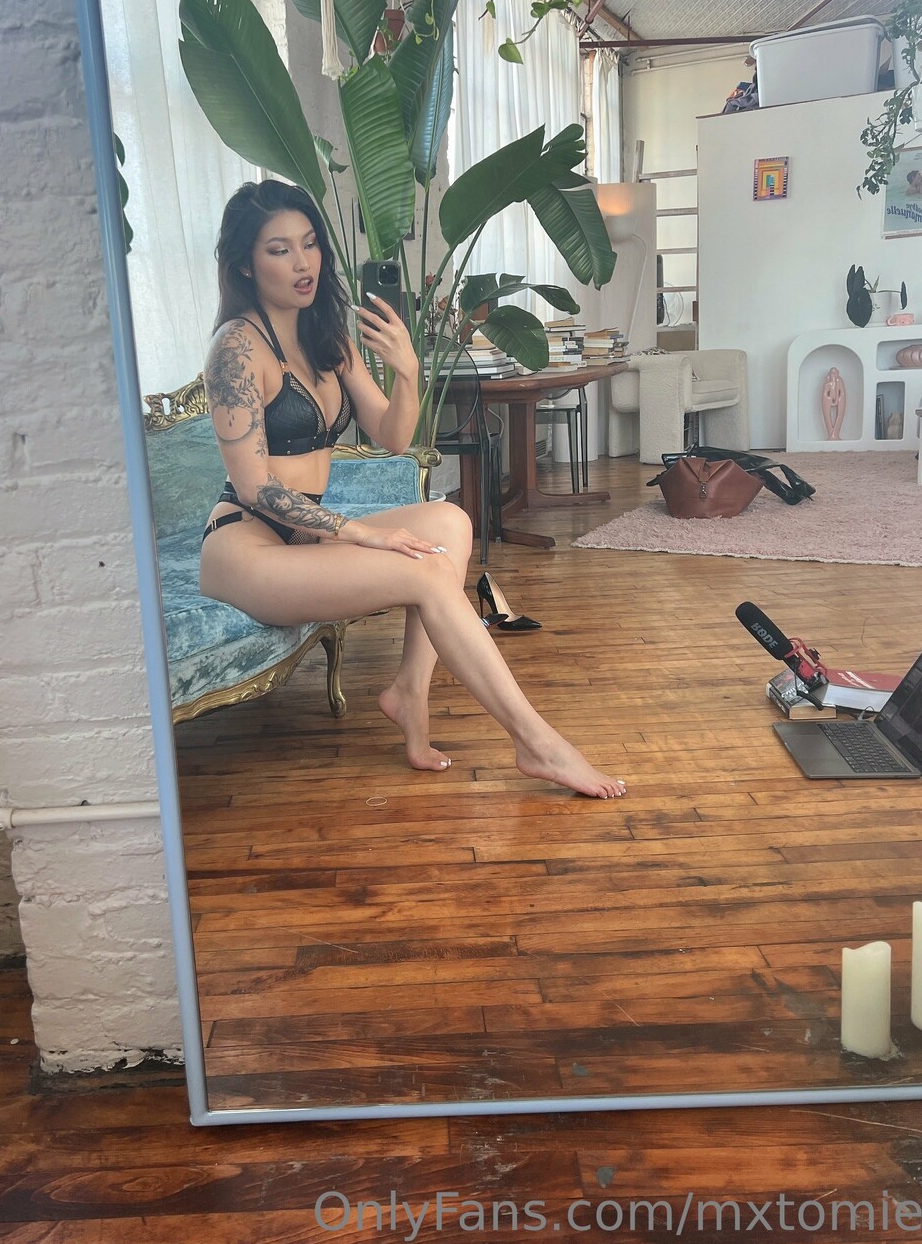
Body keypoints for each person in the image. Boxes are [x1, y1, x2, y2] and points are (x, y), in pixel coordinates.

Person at [199, 180, 626, 799]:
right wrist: (363, 534)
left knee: (450, 525)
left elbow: (394, 435)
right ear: (245, 263)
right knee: (424, 569)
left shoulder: (326, 338)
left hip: (304, 536)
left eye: (310, 244)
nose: (302, 263)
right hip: (246, 549)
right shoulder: (236, 349)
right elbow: (256, 487)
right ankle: (539, 744)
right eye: (279, 250)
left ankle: (409, 693)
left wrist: (408, 369)